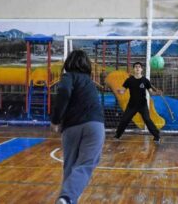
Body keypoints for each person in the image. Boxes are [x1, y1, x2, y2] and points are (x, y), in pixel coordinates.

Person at [51, 50, 105, 204]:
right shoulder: (89, 82)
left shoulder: (68, 76)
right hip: (95, 126)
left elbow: (64, 91)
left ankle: (66, 198)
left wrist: (55, 120)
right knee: (85, 165)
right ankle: (67, 199)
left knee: (70, 166)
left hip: (72, 126)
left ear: (69, 62)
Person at [114, 62, 162, 143]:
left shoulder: (145, 81)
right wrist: (119, 91)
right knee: (124, 120)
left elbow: (151, 93)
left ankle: (157, 136)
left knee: (147, 120)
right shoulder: (129, 80)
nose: (137, 68)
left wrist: (157, 93)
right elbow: (123, 90)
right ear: (134, 69)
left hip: (142, 105)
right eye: (136, 67)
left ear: (141, 69)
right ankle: (117, 135)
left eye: (139, 67)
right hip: (132, 105)